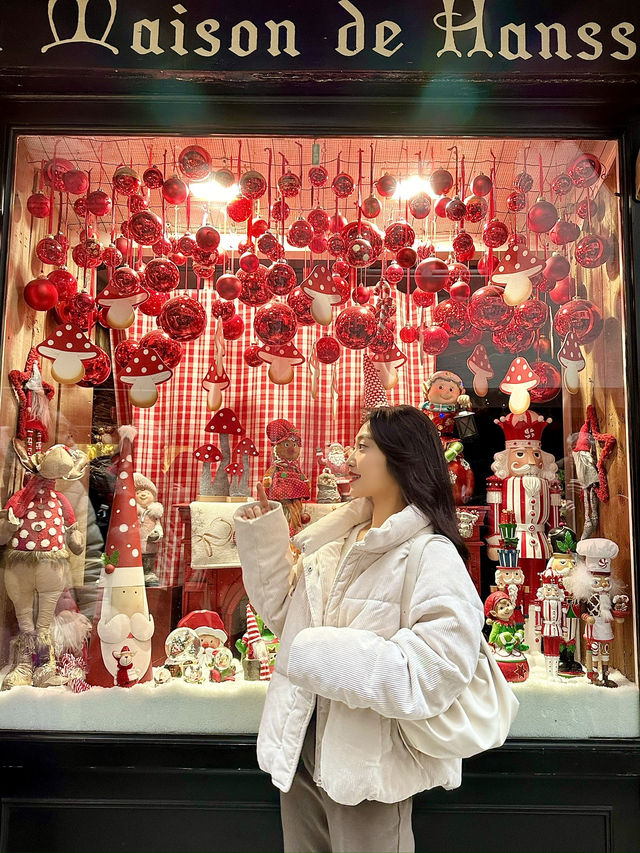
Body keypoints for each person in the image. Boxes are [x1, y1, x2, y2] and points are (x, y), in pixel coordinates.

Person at [234, 405, 485, 853]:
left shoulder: (429, 554)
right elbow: (283, 621)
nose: (349, 457)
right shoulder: (335, 543)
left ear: (401, 457)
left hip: (368, 766)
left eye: (363, 446)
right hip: (301, 751)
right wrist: (262, 534)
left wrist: (316, 653)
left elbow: (436, 671)